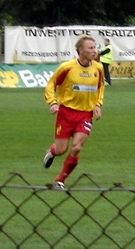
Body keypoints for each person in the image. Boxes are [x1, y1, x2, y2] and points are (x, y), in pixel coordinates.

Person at [43, 36, 105, 190]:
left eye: (95, 47)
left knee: (76, 147)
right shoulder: (67, 67)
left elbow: (100, 87)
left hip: (85, 115)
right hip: (66, 113)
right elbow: (51, 84)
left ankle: (60, 181)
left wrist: (98, 104)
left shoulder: (98, 68)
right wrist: (52, 102)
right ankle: (52, 152)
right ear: (80, 50)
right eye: (90, 48)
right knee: (61, 150)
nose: (94, 51)